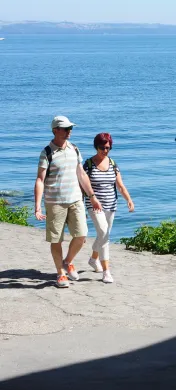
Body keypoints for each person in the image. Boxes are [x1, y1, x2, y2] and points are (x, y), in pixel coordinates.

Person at [34, 116, 102, 288]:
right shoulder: (47, 152)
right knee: (56, 239)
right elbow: (40, 180)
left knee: (81, 235)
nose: (69, 131)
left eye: (70, 128)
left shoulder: (75, 149)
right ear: (56, 130)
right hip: (54, 202)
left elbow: (81, 174)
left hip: (76, 200)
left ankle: (68, 261)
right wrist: (37, 206)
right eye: (65, 128)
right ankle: (60, 274)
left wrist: (92, 196)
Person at [84, 133, 135, 284]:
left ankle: (93, 259)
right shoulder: (88, 164)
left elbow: (120, 185)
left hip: (111, 204)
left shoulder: (113, 163)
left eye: (108, 148)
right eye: (102, 148)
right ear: (96, 146)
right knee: (104, 234)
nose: (105, 151)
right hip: (94, 205)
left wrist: (129, 200)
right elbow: (82, 185)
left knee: (103, 234)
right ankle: (107, 272)